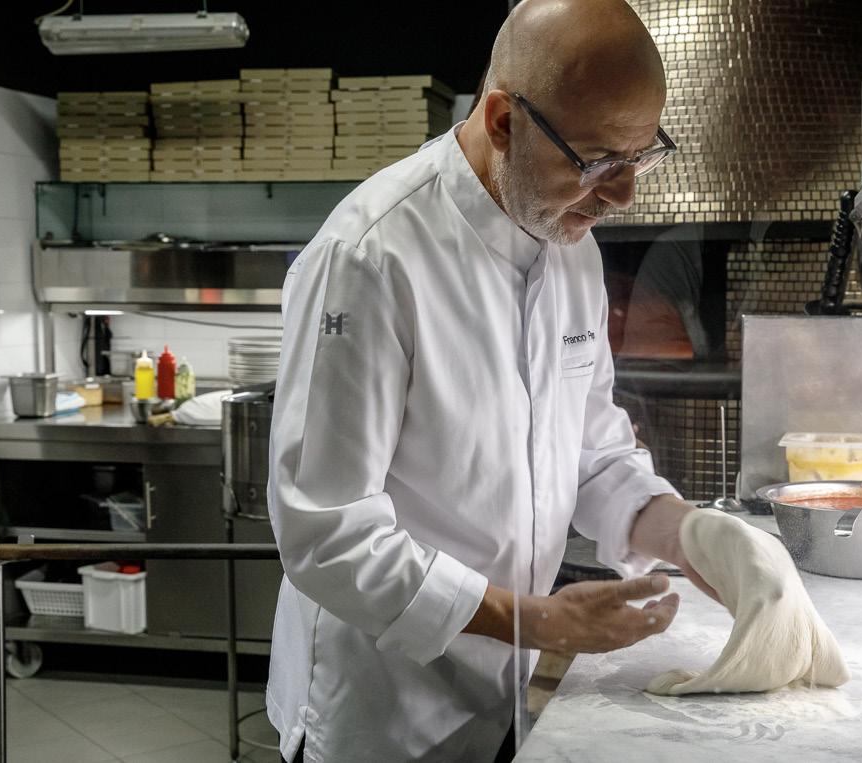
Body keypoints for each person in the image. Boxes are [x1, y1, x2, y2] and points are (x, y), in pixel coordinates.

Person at [267, 1, 720, 760]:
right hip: (384, 716)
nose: (623, 196)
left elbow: (593, 453)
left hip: (506, 690)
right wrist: (538, 620)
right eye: (598, 162)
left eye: (640, 157)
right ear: (504, 120)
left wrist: (696, 535)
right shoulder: (369, 257)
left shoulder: (568, 242)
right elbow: (328, 534)